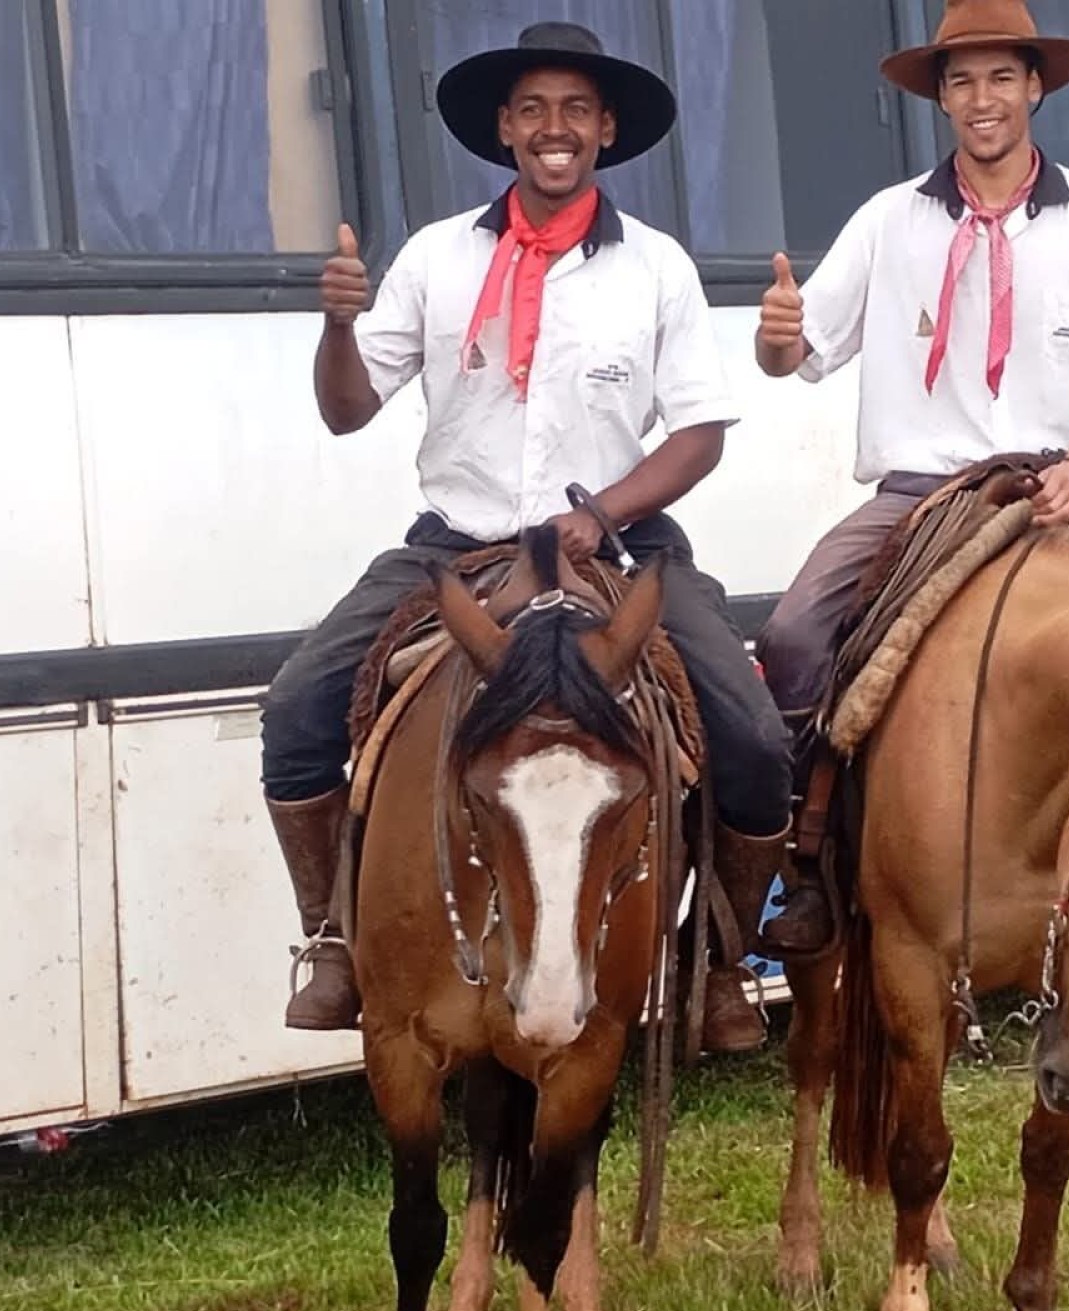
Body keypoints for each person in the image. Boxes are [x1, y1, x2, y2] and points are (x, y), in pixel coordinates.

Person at [261, 21, 790, 1053]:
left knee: (755, 736)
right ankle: (329, 939)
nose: (557, 127)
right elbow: (346, 408)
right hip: (453, 548)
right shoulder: (435, 256)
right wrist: (337, 326)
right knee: (296, 708)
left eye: (576, 109)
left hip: (614, 546)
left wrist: (602, 513)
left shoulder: (657, 267)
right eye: (535, 109)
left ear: (606, 130)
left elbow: (698, 435)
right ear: (504, 128)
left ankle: (722, 960)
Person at [751, 0, 1069, 957]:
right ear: (940, 99)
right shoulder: (889, 220)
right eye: (961, 81)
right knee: (792, 636)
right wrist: (773, 337)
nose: (981, 99)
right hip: (922, 490)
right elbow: (798, 352)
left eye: (999, 78)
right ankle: (810, 862)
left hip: (1054, 479)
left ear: (1033, 87)